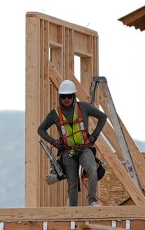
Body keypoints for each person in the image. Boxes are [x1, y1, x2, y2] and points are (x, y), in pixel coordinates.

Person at [37, 79, 108, 207]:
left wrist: (94, 136)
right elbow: (40, 129)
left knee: (92, 169)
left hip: (84, 149)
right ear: (60, 97)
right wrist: (54, 142)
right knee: (72, 182)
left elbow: (103, 117)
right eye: (63, 96)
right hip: (67, 152)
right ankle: (73, 212)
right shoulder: (55, 114)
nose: (66, 99)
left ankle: (92, 200)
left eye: (69, 96)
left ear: (73, 96)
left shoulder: (84, 107)